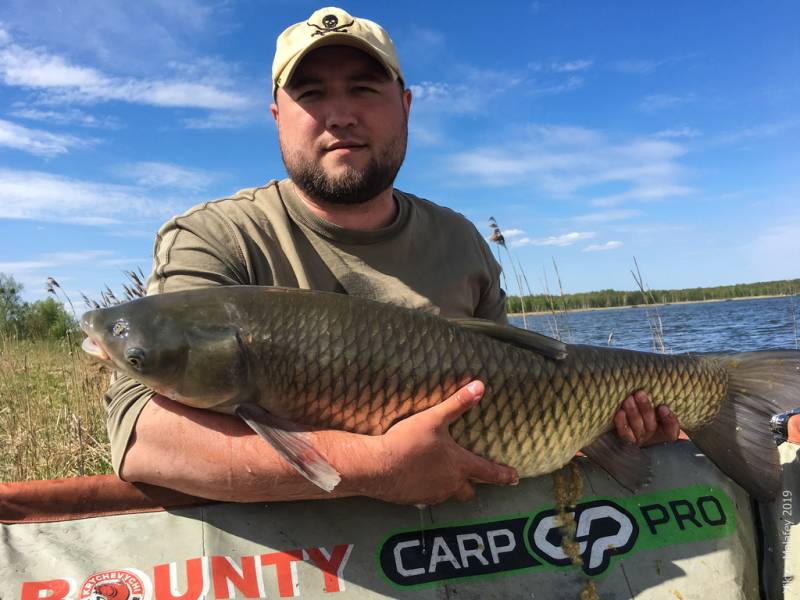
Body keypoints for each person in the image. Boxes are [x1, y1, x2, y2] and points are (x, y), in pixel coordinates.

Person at [104, 6, 682, 506]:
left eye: (363, 88)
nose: (341, 114)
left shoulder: (460, 239)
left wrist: (613, 428)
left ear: (404, 106)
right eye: (311, 94)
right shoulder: (217, 236)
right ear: (278, 116)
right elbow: (144, 437)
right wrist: (375, 468)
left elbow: (523, 390)